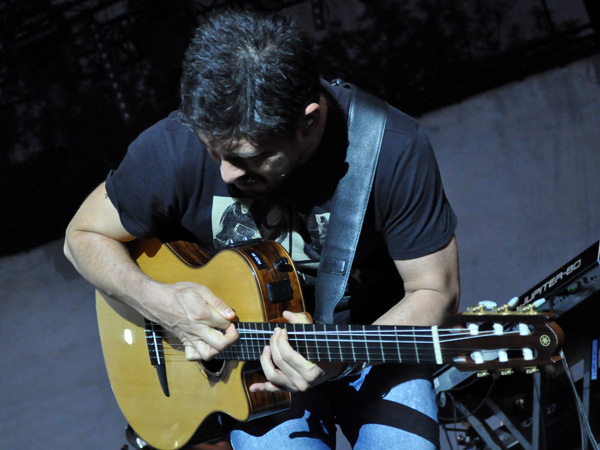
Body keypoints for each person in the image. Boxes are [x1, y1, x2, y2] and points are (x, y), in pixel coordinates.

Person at [64, 10, 459, 450]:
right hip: (245, 370)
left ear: (308, 121)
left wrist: (342, 354)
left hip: (371, 343)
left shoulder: (392, 150)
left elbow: (435, 293)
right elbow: (81, 237)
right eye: (215, 152)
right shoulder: (174, 147)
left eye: (250, 157)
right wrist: (159, 303)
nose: (228, 173)